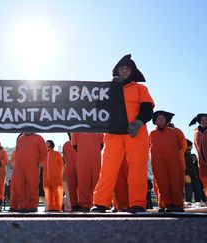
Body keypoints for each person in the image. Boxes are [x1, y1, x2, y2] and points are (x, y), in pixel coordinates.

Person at [92, 54, 154, 213]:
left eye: (127, 68)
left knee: (137, 168)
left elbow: (148, 109)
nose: (124, 70)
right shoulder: (108, 89)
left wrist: (138, 122)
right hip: (113, 132)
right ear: (117, 71)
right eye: (122, 68)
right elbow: (98, 106)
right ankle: (100, 203)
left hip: (136, 132)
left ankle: (138, 204)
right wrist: (110, 90)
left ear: (132, 71)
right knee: (107, 168)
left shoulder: (141, 88)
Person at [149, 110, 185, 212]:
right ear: (155, 121)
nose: (160, 120)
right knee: (162, 183)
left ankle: (177, 204)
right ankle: (168, 203)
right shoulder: (152, 134)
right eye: (158, 118)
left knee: (176, 182)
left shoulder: (174, 132)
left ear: (167, 121)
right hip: (158, 163)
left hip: (174, 161)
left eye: (162, 118)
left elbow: (182, 146)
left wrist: (178, 157)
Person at [11, 132, 47, 212]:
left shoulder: (38, 137)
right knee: (20, 186)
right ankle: (23, 206)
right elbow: (17, 152)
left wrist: (36, 162)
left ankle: (33, 206)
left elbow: (44, 152)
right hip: (19, 166)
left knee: (32, 186)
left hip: (32, 166)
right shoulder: (20, 138)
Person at [71, 132, 104, 211]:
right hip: (84, 157)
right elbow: (74, 145)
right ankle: (84, 204)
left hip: (94, 157)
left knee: (96, 180)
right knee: (83, 180)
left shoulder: (96, 126)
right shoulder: (76, 128)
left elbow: (102, 143)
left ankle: (96, 202)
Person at [42, 140, 64, 212]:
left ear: (51, 145)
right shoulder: (44, 155)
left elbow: (61, 165)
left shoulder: (56, 154)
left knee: (57, 193)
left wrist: (60, 175)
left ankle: (57, 208)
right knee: (48, 193)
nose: (46, 145)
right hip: (46, 178)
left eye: (47, 143)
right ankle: (50, 207)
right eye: (45, 144)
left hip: (56, 177)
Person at [62, 133, 77, 211]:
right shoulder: (66, 144)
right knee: (69, 193)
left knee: (70, 192)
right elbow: (65, 158)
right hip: (69, 172)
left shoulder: (66, 145)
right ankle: (68, 208)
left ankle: (69, 208)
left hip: (71, 171)